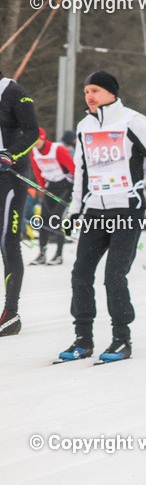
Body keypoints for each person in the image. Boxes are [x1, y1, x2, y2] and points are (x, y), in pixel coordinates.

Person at [59, 71, 146, 361]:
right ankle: (82, 339)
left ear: (111, 93)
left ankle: (121, 339)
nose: (89, 96)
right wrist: (74, 210)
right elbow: (81, 172)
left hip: (127, 209)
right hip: (96, 210)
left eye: (95, 90)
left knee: (114, 275)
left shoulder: (132, 120)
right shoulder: (84, 125)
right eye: (87, 91)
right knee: (81, 274)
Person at [0, 69, 39, 337]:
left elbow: (32, 132)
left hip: (9, 178)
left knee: (7, 242)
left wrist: (10, 154)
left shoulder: (13, 91)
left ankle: (11, 314)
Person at [30, 127, 74, 266]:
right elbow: (38, 173)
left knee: (56, 218)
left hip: (65, 185)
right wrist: (42, 191)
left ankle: (58, 255)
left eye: (38, 139)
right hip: (51, 187)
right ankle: (42, 254)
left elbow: (73, 169)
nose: (36, 142)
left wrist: (78, 190)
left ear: (43, 137)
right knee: (43, 219)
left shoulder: (58, 149)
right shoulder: (34, 153)